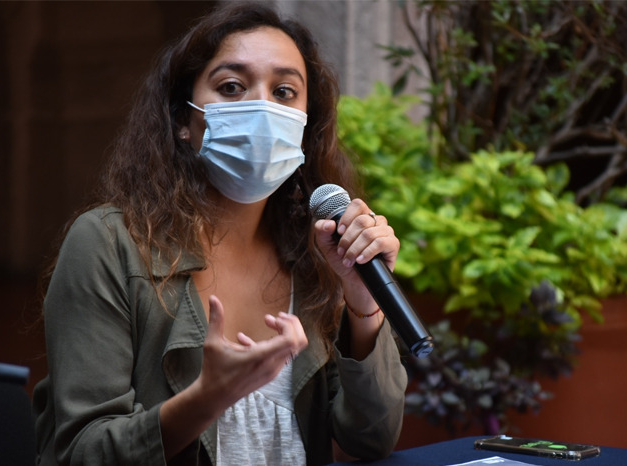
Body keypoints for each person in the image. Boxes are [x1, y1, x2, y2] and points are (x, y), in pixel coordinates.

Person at [32, 2, 408, 465]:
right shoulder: (109, 243)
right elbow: (81, 452)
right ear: (182, 120)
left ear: (306, 124)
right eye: (232, 87)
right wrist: (206, 399)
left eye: (284, 91)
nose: (262, 109)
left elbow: (371, 440)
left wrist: (363, 304)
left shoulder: (318, 251)